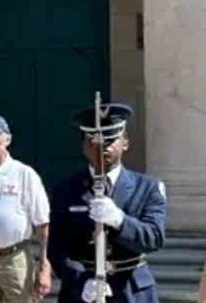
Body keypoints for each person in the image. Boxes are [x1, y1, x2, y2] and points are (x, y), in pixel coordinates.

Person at [48, 103, 166, 303]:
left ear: (125, 143)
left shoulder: (148, 187)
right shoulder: (66, 189)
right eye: (93, 140)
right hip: (83, 292)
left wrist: (120, 220)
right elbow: (57, 248)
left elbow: (154, 238)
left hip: (132, 291)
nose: (102, 146)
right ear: (84, 146)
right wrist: (81, 281)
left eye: (110, 139)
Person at [0, 114, 52, 303]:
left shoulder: (24, 173)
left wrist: (44, 265)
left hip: (15, 258)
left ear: (7, 140)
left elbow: (42, 223)